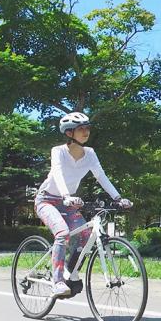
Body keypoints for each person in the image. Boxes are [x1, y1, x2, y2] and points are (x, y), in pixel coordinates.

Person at [35, 112, 133, 297]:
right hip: (47, 199)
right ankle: (57, 281)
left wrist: (118, 198)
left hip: (67, 202)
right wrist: (65, 195)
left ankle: (70, 273)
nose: (86, 131)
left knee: (86, 235)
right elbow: (57, 173)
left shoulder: (90, 154)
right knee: (62, 233)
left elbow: (101, 176)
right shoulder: (58, 151)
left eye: (87, 128)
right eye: (81, 129)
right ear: (70, 133)